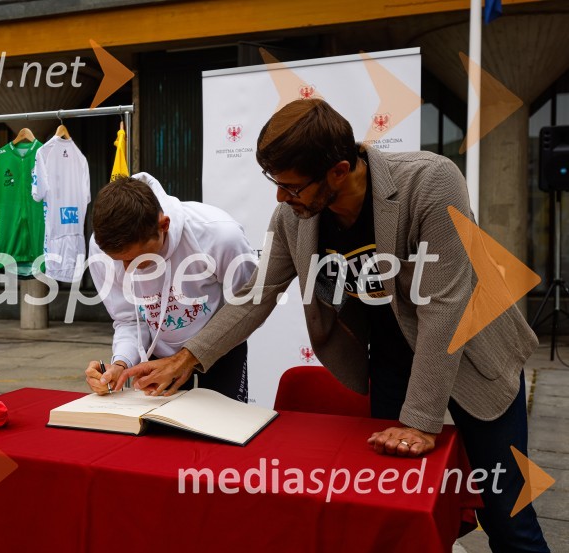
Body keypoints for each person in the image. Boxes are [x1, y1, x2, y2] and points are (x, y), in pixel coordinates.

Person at [117, 100, 549, 551]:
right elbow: (256, 294)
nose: (281, 198)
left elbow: (445, 307)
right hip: (392, 361)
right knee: (395, 508)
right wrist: (187, 359)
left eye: (292, 186)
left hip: (476, 356)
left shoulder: (431, 182)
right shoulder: (294, 217)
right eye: (276, 184)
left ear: (339, 171)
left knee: (507, 514)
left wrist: (420, 423)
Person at [84, 173, 256, 401]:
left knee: (224, 428)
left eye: (138, 259)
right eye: (120, 260)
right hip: (157, 353)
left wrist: (188, 357)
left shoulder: (219, 235)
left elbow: (247, 308)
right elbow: (128, 319)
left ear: (163, 225)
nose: (127, 270)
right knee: (159, 432)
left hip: (220, 348)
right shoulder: (101, 248)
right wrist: (120, 363)